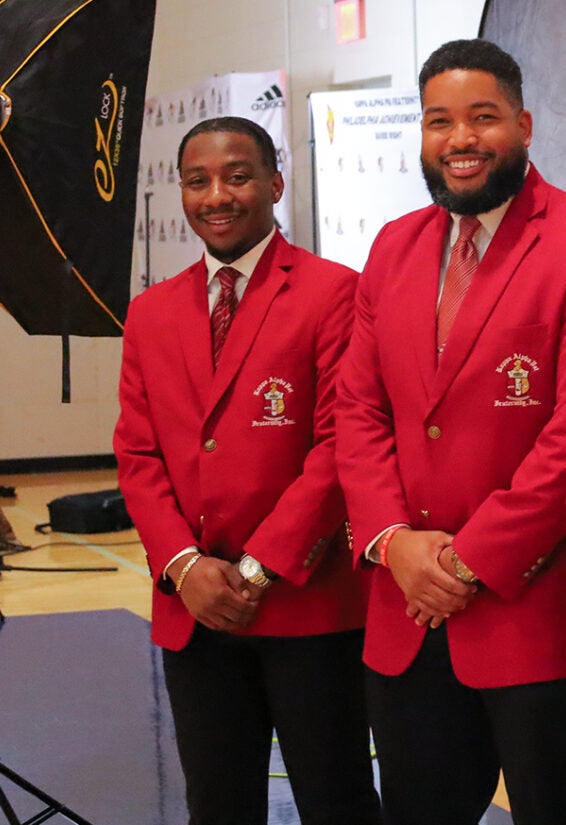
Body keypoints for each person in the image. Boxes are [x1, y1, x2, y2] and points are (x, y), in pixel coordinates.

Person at [335, 38, 566, 824]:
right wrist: (393, 541)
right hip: (404, 609)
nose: (460, 140)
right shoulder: (392, 246)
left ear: (525, 124)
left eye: (482, 118)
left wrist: (470, 559)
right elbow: (359, 410)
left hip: (531, 615)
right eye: (440, 121)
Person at [114, 116, 379, 824]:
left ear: (274, 183)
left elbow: (337, 447)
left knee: (338, 796)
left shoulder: (334, 292)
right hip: (194, 609)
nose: (217, 196)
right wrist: (183, 565)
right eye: (197, 181)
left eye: (236, 176)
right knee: (218, 804)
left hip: (305, 603)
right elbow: (138, 457)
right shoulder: (148, 314)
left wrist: (258, 568)